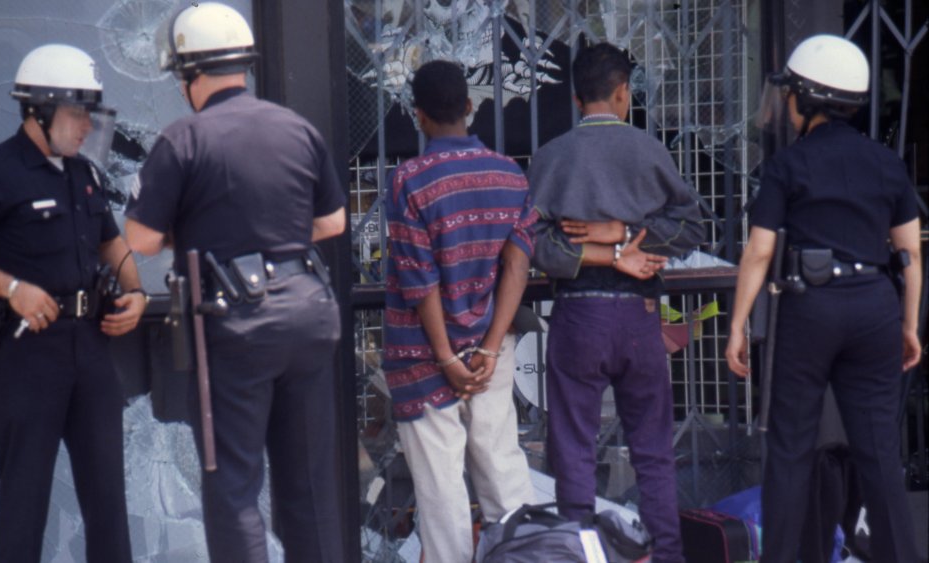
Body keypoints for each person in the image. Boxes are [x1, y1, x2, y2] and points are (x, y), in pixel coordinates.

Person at [123, 3, 347, 562]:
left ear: (189, 75)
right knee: (309, 486)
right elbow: (333, 223)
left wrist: (195, 229)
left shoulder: (184, 139)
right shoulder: (296, 127)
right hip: (309, 312)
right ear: (243, 66)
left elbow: (141, 239)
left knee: (234, 487)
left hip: (238, 321)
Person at [0, 44, 145, 562]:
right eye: (75, 113)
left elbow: (110, 244)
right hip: (29, 353)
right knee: (24, 503)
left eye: (88, 113)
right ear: (38, 112)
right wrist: (10, 288)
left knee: (108, 504)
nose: (85, 127)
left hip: (90, 350)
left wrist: (135, 291)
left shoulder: (83, 175)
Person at [726, 34, 922, 562]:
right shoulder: (886, 163)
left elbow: (759, 252)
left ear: (807, 98)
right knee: (879, 451)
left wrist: (739, 325)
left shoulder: (787, 166)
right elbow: (909, 253)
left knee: (790, 448)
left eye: (790, 93)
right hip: (874, 305)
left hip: (809, 306)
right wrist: (908, 325)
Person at [527, 43, 706, 563]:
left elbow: (533, 243)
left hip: (578, 317)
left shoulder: (550, 156)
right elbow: (695, 225)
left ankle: (578, 554)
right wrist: (628, 241)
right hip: (639, 318)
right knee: (652, 452)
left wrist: (602, 247)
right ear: (624, 93)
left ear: (577, 97)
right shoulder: (649, 151)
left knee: (573, 452)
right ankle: (667, 556)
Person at [382, 59, 538, 563]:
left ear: (418, 115)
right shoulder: (510, 175)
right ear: (470, 108)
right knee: (502, 472)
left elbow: (419, 279)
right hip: (490, 353)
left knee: (441, 492)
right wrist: (488, 347)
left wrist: (446, 357)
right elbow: (517, 266)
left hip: (424, 358)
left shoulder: (410, 180)